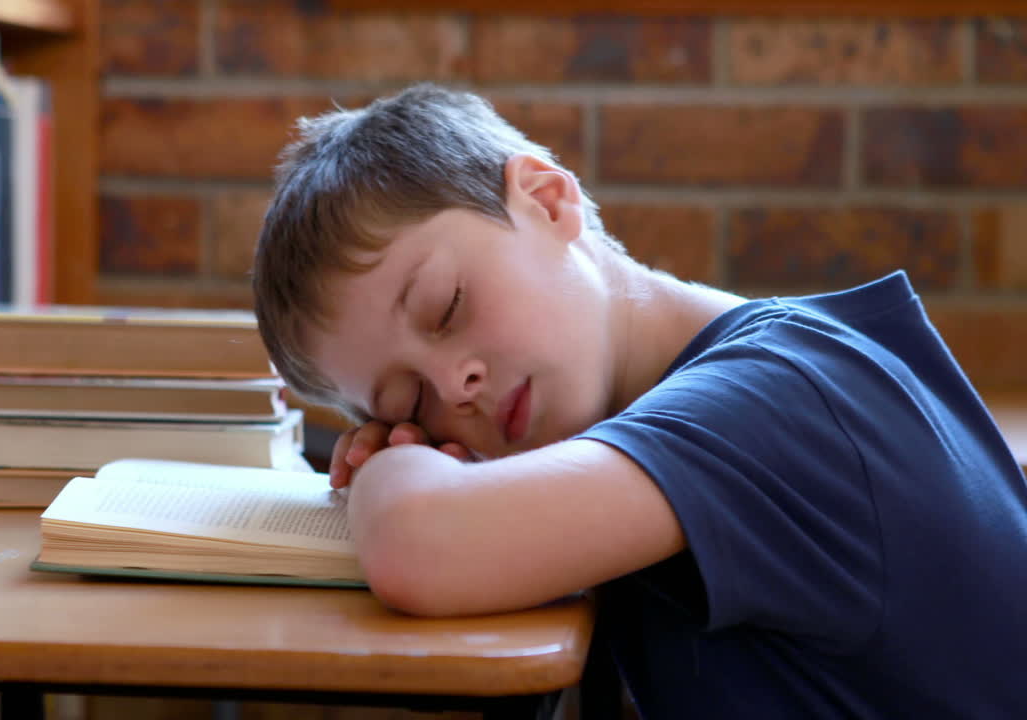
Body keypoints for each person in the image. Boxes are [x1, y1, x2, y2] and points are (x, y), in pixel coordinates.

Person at [251, 83, 1027, 718]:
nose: (457, 388)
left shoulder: (772, 400)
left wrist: (394, 467)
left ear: (548, 201)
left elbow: (423, 548)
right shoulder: (744, 375)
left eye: (447, 306)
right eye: (409, 401)